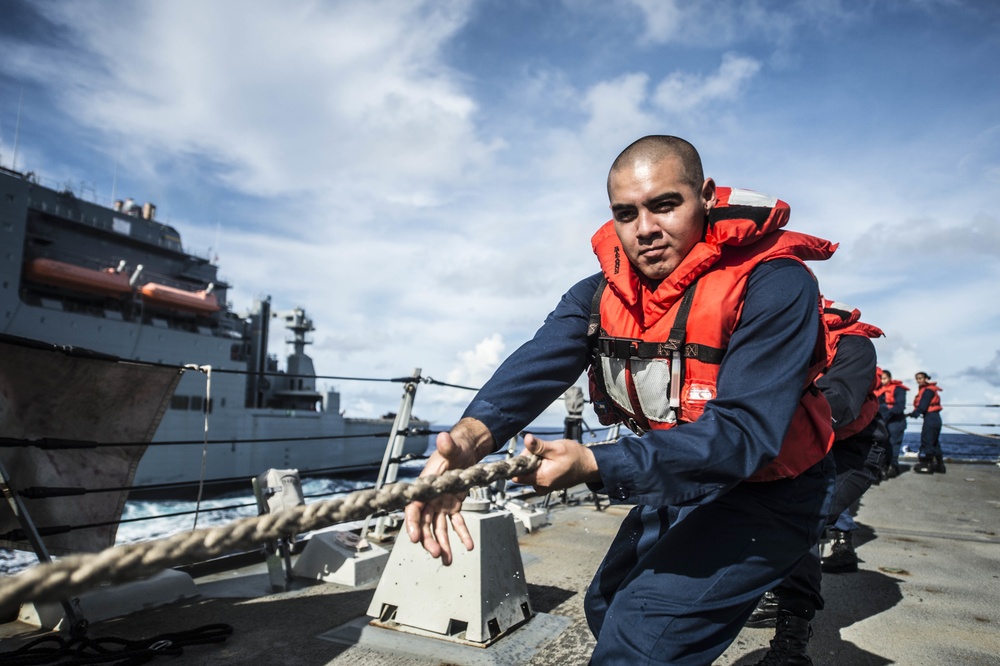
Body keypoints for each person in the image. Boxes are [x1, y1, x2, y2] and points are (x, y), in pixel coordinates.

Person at [404, 135, 839, 665]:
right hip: (683, 478)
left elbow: (745, 434)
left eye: (665, 205)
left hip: (774, 490)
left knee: (640, 636)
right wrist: (469, 441)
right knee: (607, 604)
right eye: (626, 214)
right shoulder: (597, 295)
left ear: (703, 195)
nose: (645, 230)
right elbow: (538, 362)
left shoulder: (774, 284)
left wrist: (593, 461)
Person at [747, 299, 887, 665]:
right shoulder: (780, 337)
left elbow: (839, 404)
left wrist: (767, 417)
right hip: (799, 441)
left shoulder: (855, 345)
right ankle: (772, 587)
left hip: (851, 451)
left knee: (800, 519)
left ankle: (792, 643)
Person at [874, 369, 909, 478]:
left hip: (895, 421)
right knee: (883, 444)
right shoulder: (879, 391)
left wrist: (887, 414)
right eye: (881, 379)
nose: (883, 381)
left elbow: (900, 406)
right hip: (884, 421)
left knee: (894, 444)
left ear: (889, 378)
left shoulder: (898, 390)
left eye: (884, 379)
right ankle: (883, 466)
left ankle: (893, 466)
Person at [909, 372, 945, 473]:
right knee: (935, 442)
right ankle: (940, 465)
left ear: (926, 378)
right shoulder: (930, 389)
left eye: (920, 378)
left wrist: (915, 413)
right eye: (917, 379)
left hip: (931, 418)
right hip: (935, 417)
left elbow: (923, 405)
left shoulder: (927, 391)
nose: (918, 381)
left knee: (927, 440)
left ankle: (927, 465)